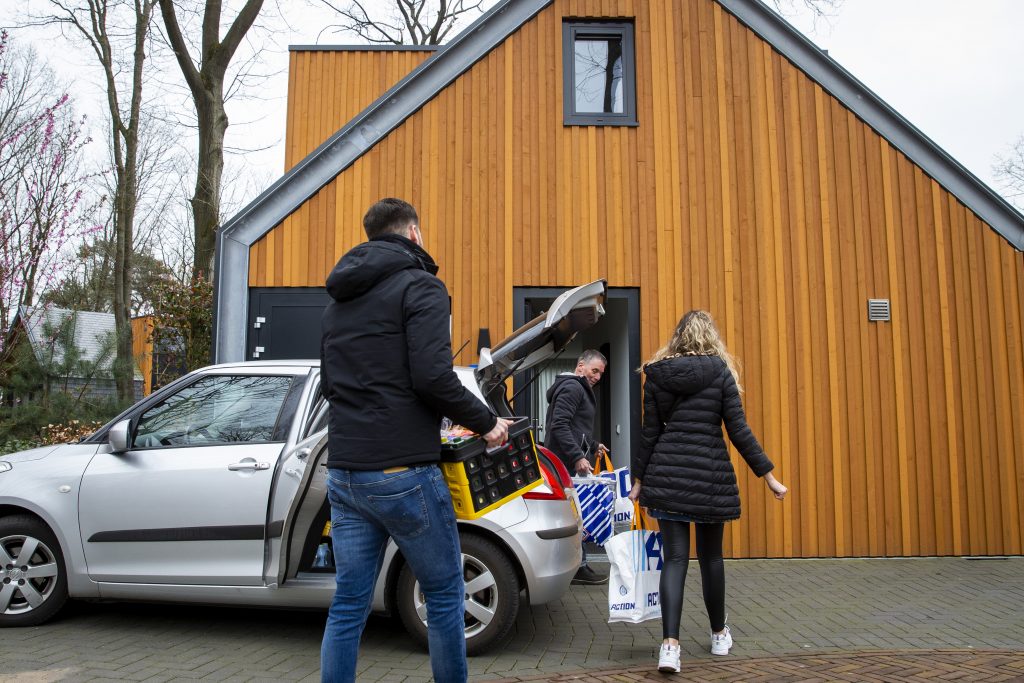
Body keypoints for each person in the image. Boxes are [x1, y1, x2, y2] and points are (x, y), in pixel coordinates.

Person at [319, 197, 513, 683]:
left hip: (345, 472)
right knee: (446, 594)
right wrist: (487, 422)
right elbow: (432, 377)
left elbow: (330, 384)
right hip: (403, 471)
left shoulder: (339, 302)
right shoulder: (422, 287)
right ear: (413, 233)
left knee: (348, 605)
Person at [628, 310, 788, 674]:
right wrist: (769, 477)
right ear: (710, 336)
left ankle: (669, 646)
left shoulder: (657, 374)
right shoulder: (719, 372)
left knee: (675, 560)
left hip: (667, 475)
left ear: (678, 337)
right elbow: (738, 431)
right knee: (711, 559)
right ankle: (718, 635)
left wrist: (638, 482)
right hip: (709, 476)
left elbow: (649, 432)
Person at [543, 348, 609, 586]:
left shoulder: (576, 388)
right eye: (594, 370)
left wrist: (592, 446)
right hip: (563, 464)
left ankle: (574, 566)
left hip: (565, 462)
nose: (597, 377)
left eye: (601, 373)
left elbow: (574, 428)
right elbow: (559, 426)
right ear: (580, 366)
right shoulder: (573, 388)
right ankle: (577, 568)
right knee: (574, 515)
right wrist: (576, 458)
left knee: (573, 514)